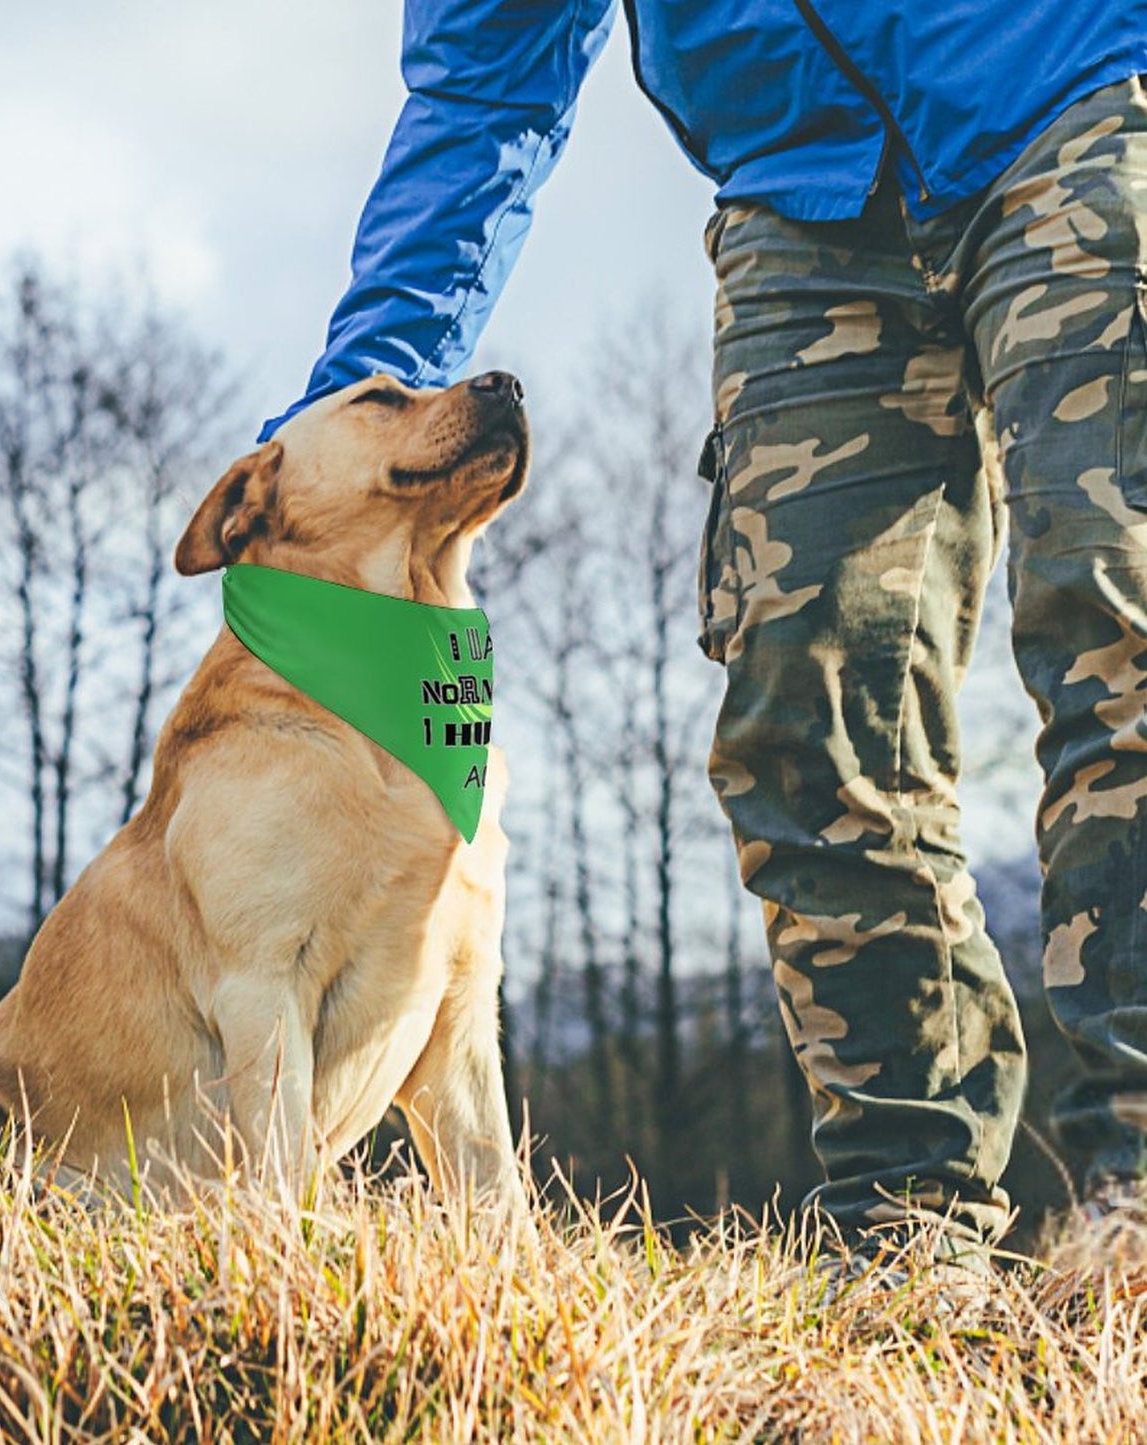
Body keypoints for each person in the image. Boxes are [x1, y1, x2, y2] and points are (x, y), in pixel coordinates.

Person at [261, 0, 1147, 1264]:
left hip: (1071, 86)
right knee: (808, 719)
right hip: (802, 198)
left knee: (1116, 621)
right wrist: (353, 416)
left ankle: (1136, 1200)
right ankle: (907, 1230)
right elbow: (482, 92)